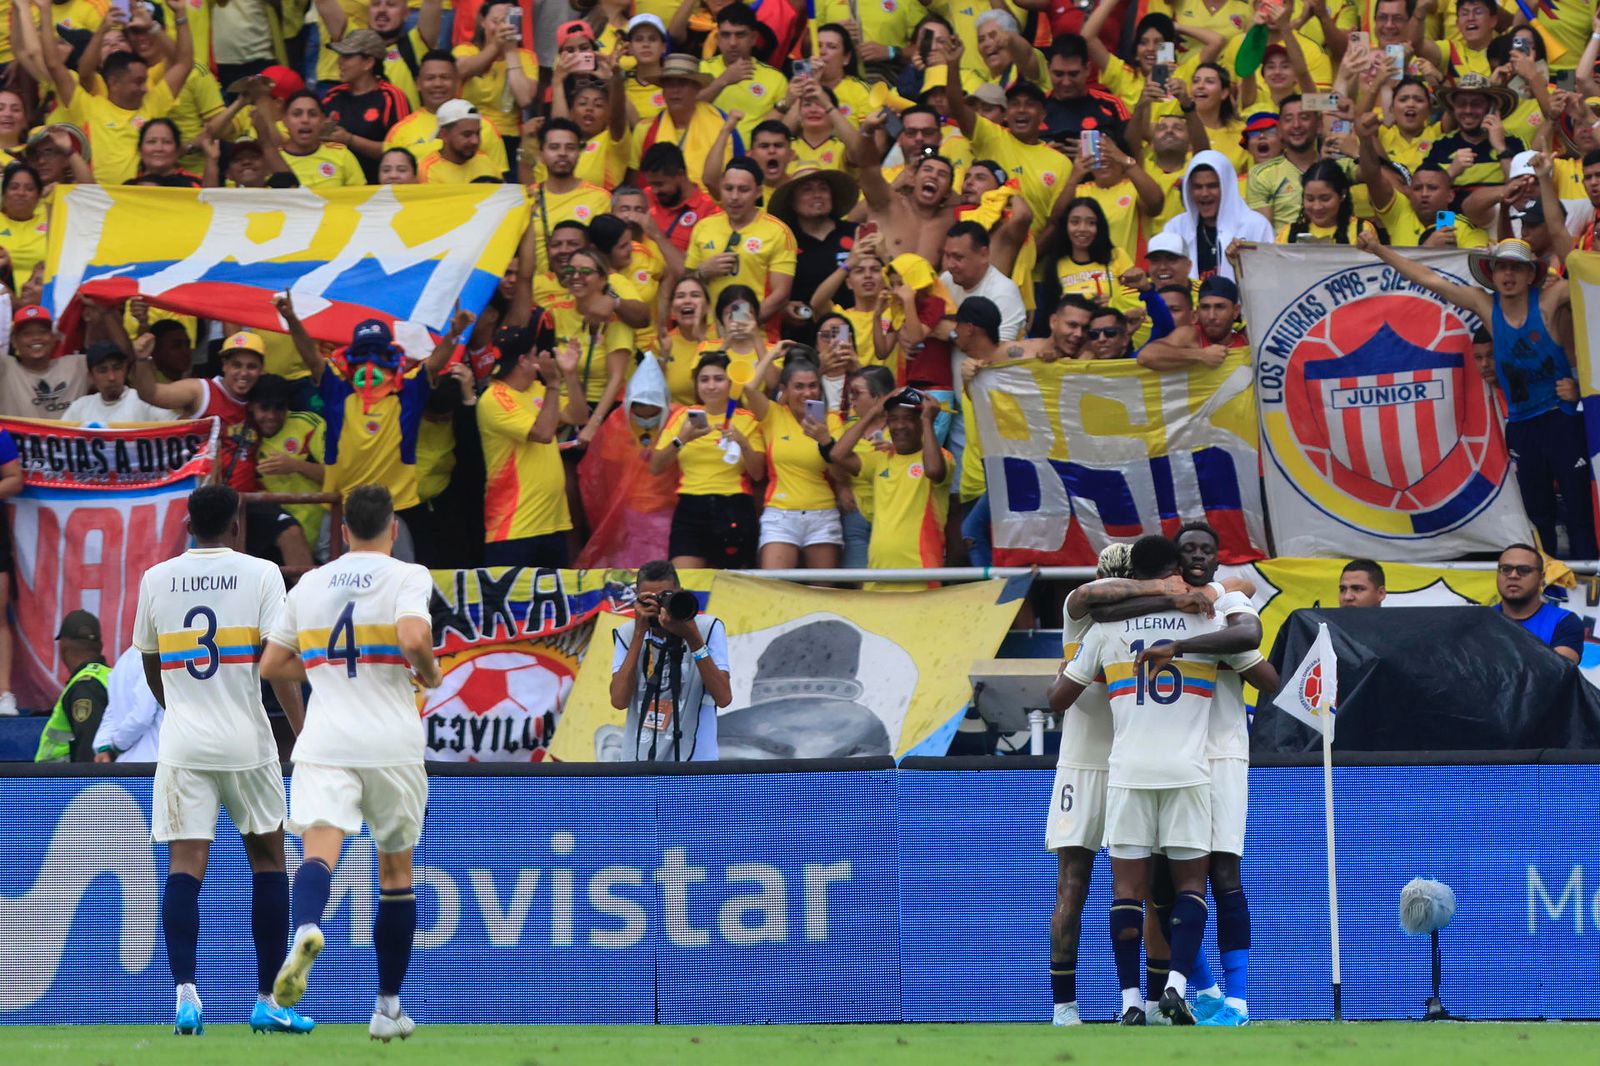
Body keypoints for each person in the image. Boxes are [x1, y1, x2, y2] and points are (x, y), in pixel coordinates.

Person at [1055, 534, 1274, 1025]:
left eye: (1205, 552)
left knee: (1210, 878)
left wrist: (1198, 616)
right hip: (1158, 761)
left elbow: (1244, 615)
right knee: (1163, 886)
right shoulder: (1127, 612)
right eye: (1187, 553)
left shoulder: (1216, 607)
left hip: (1193, 757)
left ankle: (1207, 999)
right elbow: (1093, 601)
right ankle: (1182, 993)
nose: (1197, 561)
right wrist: (1176, 598)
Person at [130, 484, 312, 1037]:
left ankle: (187, 996)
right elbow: (279, 666)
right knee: (269, 864)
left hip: (185, 745)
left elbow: (149, 665)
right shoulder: (261, 574)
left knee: (185, 868)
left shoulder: (156, 579)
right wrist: (304, 733)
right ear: (236, 526)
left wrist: (181, 707)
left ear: (188, 525)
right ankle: (266, 1000)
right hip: (247, 744)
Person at [264, 485, 443, 1041]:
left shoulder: (311, 582)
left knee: (319, 851)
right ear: (392, 528)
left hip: (326, 740)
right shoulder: (407, 575)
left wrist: (321, 669)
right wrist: (431, 675)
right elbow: (414, 635)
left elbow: (272, 662)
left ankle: (308, 927)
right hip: (390, 743)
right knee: (395, 873)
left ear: (342, 531)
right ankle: (387, 1008)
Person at [1043, 542, 1210, 1027]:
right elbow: (1090, 593)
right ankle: (1067, 1007)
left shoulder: (1116, 626)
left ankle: (1149, 1002)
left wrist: (1172, 596)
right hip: (1088, 762)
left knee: (1146, 886)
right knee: (1078, 885)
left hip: (1126, 764)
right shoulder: (1087, 616)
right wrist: (1167, 590)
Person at [1359, 233, 1596, 559]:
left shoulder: (1550, 299)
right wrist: (1377, 249)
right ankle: (1547, 584)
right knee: (1538, 514)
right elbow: (1427, 278)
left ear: (1530, 274)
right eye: (1502, 268)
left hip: (1562, 418)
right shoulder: (1484, 304)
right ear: (1492, 273)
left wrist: (1579, 388)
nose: (1508, 276)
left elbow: (1591, 279)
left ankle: (1593, 588)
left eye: (1516, 268)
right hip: (1522, 426)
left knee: (1581, 507)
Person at [277, 295, 470, 562]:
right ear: (352, 359)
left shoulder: (407, 392)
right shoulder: (337, 391)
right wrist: (291, 319)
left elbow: (435, 363)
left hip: (390, 510)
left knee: (400, 582)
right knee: (335, 582)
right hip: (341, 509)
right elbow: (311, 357)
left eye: (378, 355)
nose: (371, 363)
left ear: (390, 356)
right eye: (364, 354)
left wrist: (454, 334)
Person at [45, 0, 195, 185]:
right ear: (114, 83)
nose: (145, 87)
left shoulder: (152, 103)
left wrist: (179, 13)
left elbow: (185, 64)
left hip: (140, 198)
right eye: (138, 82)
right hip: (97, 200)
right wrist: (45, 9)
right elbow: (53, 64)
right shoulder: (86, 107)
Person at [477, 333, 589, 568]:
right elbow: (543, 433)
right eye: (536, 354)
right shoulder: (495, 398)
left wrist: (568, 374)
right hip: (516, 527)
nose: (543, 358)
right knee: (511, 604)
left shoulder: (538, 389)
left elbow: (578, 416)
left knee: (553, 604)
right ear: (523, 361)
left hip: (554, 523)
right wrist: (554, 384)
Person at [650, 351, 766, 569]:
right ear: (696, 385)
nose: (711, 386)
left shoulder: (747, 418)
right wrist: (682, 439)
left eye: (718, 379)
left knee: (731, 586)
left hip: (734, 505)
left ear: (731, 383)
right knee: (686, 583)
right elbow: (656, 466)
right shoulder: (683, 416)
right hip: (690, 507)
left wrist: (742, 442)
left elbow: (758, 473)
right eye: (704, 380)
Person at [607, 559, 732, 762]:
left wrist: (692, 638)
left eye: (665, 597)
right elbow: (619, 700)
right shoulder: (628, 634)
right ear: (637, 599)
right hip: (639, 764)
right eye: (649, 599)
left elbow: (723, 697)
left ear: (680, 592)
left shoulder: (706, 628)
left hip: (697, 765)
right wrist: (640, 633)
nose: (658, 606)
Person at [740, 347, 846, 571]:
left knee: (824, 592)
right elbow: (749, 387)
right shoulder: (773, 415)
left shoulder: (832, 420)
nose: (807, 393)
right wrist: (770, 353)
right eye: (799, 386)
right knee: (774, 587)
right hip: (780, 514)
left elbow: (840, 475)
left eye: (812, 385)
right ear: (784, 390)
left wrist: (825, 440)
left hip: (823, 512)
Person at [829, 387, 951, 579]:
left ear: (921, 421)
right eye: (893, 419)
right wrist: (871, 414)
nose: (899, 425)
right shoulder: (880, 460)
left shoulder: (941, 457)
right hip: (878, 573)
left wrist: (928, 420)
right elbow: (837, 454)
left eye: (908, 418)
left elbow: (934, 471)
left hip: (921, 572)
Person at [685, 158, 798, 329]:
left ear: (759, 192)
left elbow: (781, 294)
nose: (734, 197)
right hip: (709, 335)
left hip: (758, 336)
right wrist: (702, 272)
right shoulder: (704, 227)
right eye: (728, 189)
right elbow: (686, 280)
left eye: (743, 189)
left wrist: (740, 323)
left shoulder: (778, 232)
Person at [383, 50, 510, 177]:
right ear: (418, 84)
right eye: (430, 78)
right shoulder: (399, 132)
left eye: (445, 77)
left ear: (457, 82)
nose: (437, 84)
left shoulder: (484, 126)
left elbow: (499, 183)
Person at [1160, 151, 1275, 281]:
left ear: (1227, 187)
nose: (1204, 193)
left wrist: (1244, 261)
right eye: (1198, 187)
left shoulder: (1256, 225)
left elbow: (1269, 280)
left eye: (1212, 186)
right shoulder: (1175, 228)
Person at [631, 54, 740, 191]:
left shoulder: (723, 124)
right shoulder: (645, 129)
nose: (675, 90)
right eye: (669, 84)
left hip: (713, 208)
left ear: (697, 88)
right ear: (663, 91)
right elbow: (636, 182)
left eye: (682, 83)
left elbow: (740, 174)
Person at [523, 118, 612, 275]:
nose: (562, 153)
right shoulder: (526, 198)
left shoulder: (600, 198)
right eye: (554, 147)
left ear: (579, 152)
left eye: (570, 148)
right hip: (538, 294)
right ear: (541, 153)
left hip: (584, 290)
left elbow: (607, 254)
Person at [453, 1, 537, 161]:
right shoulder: (465, 50)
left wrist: (511, 52)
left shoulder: (526, 56)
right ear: (483, 22)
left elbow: (525, 99)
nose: (502, 28)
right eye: (496, 21)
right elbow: (462, 70)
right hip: (469, 132)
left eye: (507, 21)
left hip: (508, 137)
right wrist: (495, 47)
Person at [34, 610, 111, 763]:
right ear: (100, 645)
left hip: (62, 784)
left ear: (63, 645)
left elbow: (89, 748)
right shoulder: (108, 676)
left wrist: (85, 785)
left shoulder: (85, 685)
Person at [1493, 542, 1585, 664]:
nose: (1513, 575)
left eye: (1524, 570)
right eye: (1506, 569)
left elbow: (1558, 672)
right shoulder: (1479, 621)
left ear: (1541, 579)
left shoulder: (1564, 622)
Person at [940, 221, 1027, 343]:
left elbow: (1000, 351)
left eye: (958, 257)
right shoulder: (946, 279)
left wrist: (952, 333)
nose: (950, 265)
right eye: (947, 256)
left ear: (984, 255)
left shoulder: (1004, 292)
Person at [1136, 276, 1246, 371]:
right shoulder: (1191, 334)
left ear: (1236, 311)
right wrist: (1201, 355)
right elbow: (1145, 356)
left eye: (1220, 307)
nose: (1211, 316)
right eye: (1205, 307)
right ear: (1197, 312)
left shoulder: (1247, 342)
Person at [1, 304, 88, 419]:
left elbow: (116, 357)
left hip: (66, 436)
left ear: (53, 338)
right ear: (14, 341)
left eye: (43, 332)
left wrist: (106, 313)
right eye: (27, 334)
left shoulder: (78, 366)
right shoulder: (5, 368)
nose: (36, 338)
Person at [637, 141, 723, 255]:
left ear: (680, 174)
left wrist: (657, 236)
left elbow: (695, 267)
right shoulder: (644, 197)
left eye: (659, 184)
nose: (654, 191)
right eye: (651, 184)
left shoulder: (709, 210)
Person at [62, 342, 175, 423]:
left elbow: (174, 427)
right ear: (91, 377)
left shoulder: (144, 400)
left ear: (125, 370)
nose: (111, 377)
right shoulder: (80, 408)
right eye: (103, 370)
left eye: (116, 368)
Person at [92, 645, 165, 763]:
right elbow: (142, 716)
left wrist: (104, 746)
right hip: (155, 763)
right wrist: (116, 745)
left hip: (127, 767)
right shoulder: (157, 657)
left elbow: (111, 713)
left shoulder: (122, 662)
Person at [415, 99, 499, 183]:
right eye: (467, 135)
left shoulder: (486, 161)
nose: (475, 141)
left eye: (477, 133)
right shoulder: (427, 170)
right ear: (443, 134)